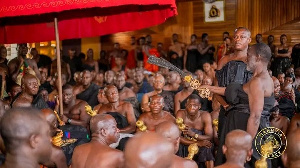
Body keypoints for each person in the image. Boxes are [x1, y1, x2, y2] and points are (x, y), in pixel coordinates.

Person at [203, 43, 275, 167]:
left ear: (258, 57)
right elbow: (238, 91)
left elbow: (255, 117)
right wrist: (210, 88)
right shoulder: (257, 78)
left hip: (247, 131)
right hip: (238, 126)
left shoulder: (258, 81)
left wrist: (246, 145)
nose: (246, 58)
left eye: (249, 55)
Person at [214, 27, 253, 165]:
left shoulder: (254, 60)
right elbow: (216, 88)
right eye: (236, 36)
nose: (237, 39)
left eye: (242, 37)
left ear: (249, 40)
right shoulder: (224, 60)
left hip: (247, 111)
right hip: (226, 111)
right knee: (226, 148)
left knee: (246, 148)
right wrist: (225, 106)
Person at [176, 94, 214, 168]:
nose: (192, 108)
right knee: (177, 145)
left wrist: (194, 135)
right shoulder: (181, 113)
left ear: (199, 106)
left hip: (201, 140)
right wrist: (197, 143)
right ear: (186, 105)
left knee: (207, 146)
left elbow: (209, 136)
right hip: (185, 142)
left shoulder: (205, 115)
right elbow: (178, 137)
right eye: (189, 105)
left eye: (195, 105)